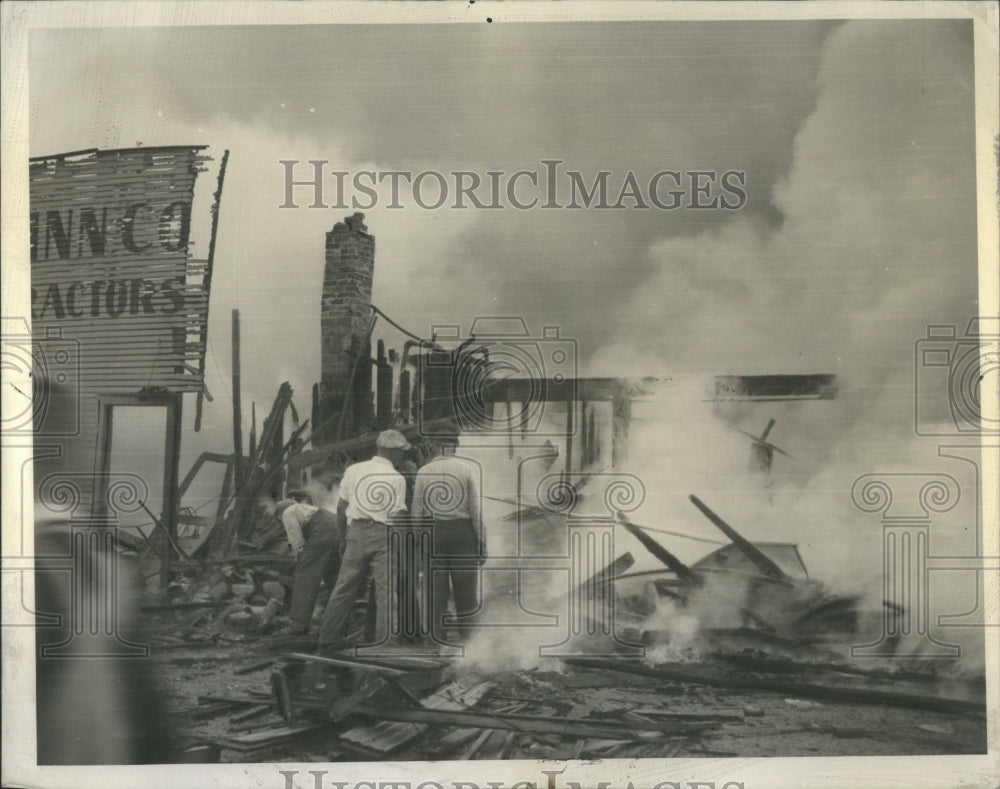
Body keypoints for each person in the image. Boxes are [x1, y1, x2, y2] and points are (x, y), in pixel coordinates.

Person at [316, 429, 410, 651]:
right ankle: (383, 645)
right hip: (383, 534)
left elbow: (341, 508)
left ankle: (327, 640)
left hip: (355, 531)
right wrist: (402, 547)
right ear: (393, 452)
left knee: (343, 588)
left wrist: (344, 538)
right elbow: (398, 516)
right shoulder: (397, 478)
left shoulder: (354, 470)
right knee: (386, 591)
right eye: (401, 452)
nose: (403, 456)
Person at [411, 421, 486, 644]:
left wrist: (418, 541)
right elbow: (475, 508)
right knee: (466, 590)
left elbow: (416, 511)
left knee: (436, 591)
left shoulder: (423, 471)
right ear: (454, 445)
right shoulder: (467, 469)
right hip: (462, 532)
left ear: (433, 445)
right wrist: (481, 539)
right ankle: (470, 641)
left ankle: (435, 639)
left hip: (433, 533)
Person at [273, 489, 343, 636]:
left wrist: (300, 559)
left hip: (322, 534)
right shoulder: (312, 509)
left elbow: (296, 541)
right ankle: (341, 624)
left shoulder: (287, 512)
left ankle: (298, 625)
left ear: (280, 514)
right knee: (334, 580)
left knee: (304, 578)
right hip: (339, 532)